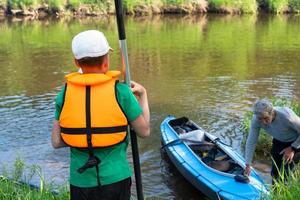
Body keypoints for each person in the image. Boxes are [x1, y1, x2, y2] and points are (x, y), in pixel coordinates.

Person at [51, 30, 150, 200]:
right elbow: (144, 131)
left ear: (76, 62)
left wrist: (84, 137)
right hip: (116, 179)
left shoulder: (65, 93)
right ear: (106, 62)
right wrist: (143, 95)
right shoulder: (121, 92)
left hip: (80, 182)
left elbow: (57, 141)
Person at [244, 99, 300, 182]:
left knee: (286, 175)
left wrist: (292, 148)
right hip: (278, 141)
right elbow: (251, 141)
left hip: (295, 143)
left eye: (265, 118)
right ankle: (275, 193)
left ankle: (286, 192)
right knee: (274, 173)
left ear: (272, 112)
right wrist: (248, 164)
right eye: (260, 119)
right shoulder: (256, 119)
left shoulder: (288, 117)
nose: (263, 122)